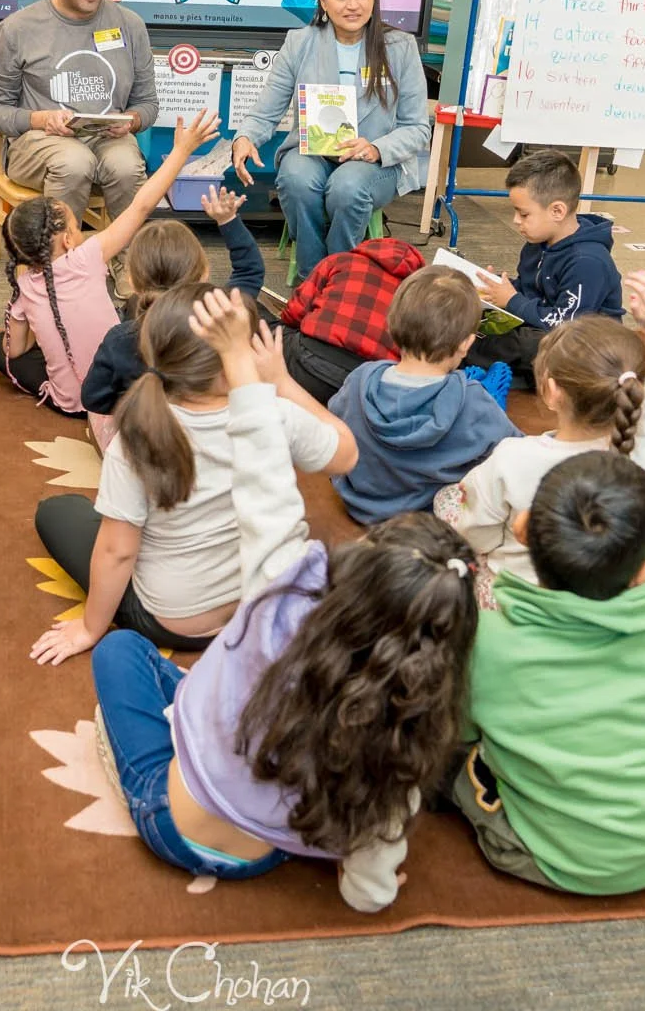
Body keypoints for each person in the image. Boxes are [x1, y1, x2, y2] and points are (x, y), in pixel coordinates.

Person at [88, 288, 477, 909]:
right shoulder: (411, 726)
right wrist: (269, 382)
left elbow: (263, 499)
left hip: (179, 824)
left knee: (118, 654)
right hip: (281, 843)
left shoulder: (279, 600)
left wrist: (247, 374)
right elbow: (371, 892)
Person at [31, 284, 356, 663]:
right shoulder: (272, 415)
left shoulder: (138, 436)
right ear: (241, 354)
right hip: (260, 603)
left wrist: (90, 627)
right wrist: (281, 382)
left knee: (58, 510)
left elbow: (118, 552)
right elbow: (346, 454)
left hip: (175, 622)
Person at [456, 451, 645, 894]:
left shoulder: (487, 642)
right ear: (644, 565)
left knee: (447, 757)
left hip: (561, 858)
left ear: (522, 529)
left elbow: (460, 727)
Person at [438, 273, 645, 598]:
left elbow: (476, 535)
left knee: (449, 499)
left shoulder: (513, 457)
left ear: (551, 391)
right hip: (611, 590)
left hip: (521, 595)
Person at [0, 111, 219, 418]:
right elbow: (142, 205)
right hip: (113, 394)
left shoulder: (24, 287)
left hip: (69, 404)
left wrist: (35, 323)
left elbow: (14, 351)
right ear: (69, 240)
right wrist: (181, 151)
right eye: (76, 224)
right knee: (135, 306)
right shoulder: (88, 257)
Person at [228, 0, 432, 280]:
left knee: (347, 186)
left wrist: (377, 148)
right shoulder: (300, 43)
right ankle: (313, 277)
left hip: (376, 162)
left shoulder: (400, 47)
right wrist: (244, 138)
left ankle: (339, 277)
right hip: (313, 152)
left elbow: (418, 128)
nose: (353, 4)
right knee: (296, 178)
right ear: (322, 0)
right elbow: (265, 110)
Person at [0, 0, 161, 221]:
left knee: (127, 167)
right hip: (38, 142)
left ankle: (125, 263)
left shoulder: (130, 25)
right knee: (74, 162)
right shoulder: (18, 29)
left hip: (107, 140)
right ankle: (60, 264)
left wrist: (132, 121)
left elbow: (148, 103)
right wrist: (41, 119)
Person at [329, 268, 519, 525]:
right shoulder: (472, 400)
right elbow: (516, 452)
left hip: (359, 506)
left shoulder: (360, 379)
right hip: (429, 521)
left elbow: (333, 428)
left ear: (392, 326)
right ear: (466, 343)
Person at [80, 187, 264, 425]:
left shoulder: (119, 339)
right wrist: (228, 221)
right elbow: (250, 272)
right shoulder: (224, 315)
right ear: (205, 271)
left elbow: (93, 399)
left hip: (146, 436)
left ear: (132, 282)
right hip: (217, 432)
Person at [466, 149, 624, 386]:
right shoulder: (538, 242)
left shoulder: (587, 262)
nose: (516, 220)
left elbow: (566, 325)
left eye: (524, 213)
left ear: (557, 211)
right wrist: (496, 286)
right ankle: (471, 351)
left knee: (527, 345)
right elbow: (530, 289)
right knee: (469, 312)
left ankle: (465, 353)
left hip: (587, 349)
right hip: (542, 330)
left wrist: (511, 300)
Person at [274, 236, 427, 404]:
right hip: (369, 384)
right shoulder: (417, 294)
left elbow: (293, 313)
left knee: (265, 326)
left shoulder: (341, 260)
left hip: (311, 360)